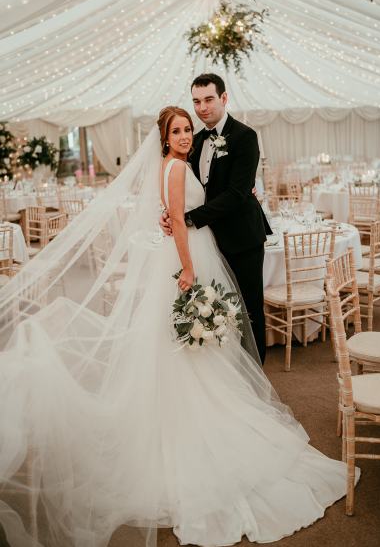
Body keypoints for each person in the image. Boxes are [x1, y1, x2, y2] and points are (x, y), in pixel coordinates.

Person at [0, 107, 357, 547]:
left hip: (197, 250)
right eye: (178, 130)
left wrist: (185, 234)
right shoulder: (173, 168)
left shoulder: (180, 163)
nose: (186, 135)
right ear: (164, 137)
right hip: (188, 258)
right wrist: (188, 270)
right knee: (189, 348)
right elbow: (177, 216)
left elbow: (180, 212)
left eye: (189, 129)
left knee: (199, 349)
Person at [160, 73, 270, 364]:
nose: (202, 107)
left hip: (242, 237)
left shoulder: (245, 137)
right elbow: (187, 190)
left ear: (223, 98)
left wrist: (187, 218)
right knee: (220, 307)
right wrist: (169, 215)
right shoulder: (193, 141)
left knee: (249, 310)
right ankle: (233, 371)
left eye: (209, 99)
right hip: (209, 241)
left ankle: (257, 373)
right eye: (196, 101)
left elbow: (236, 193)